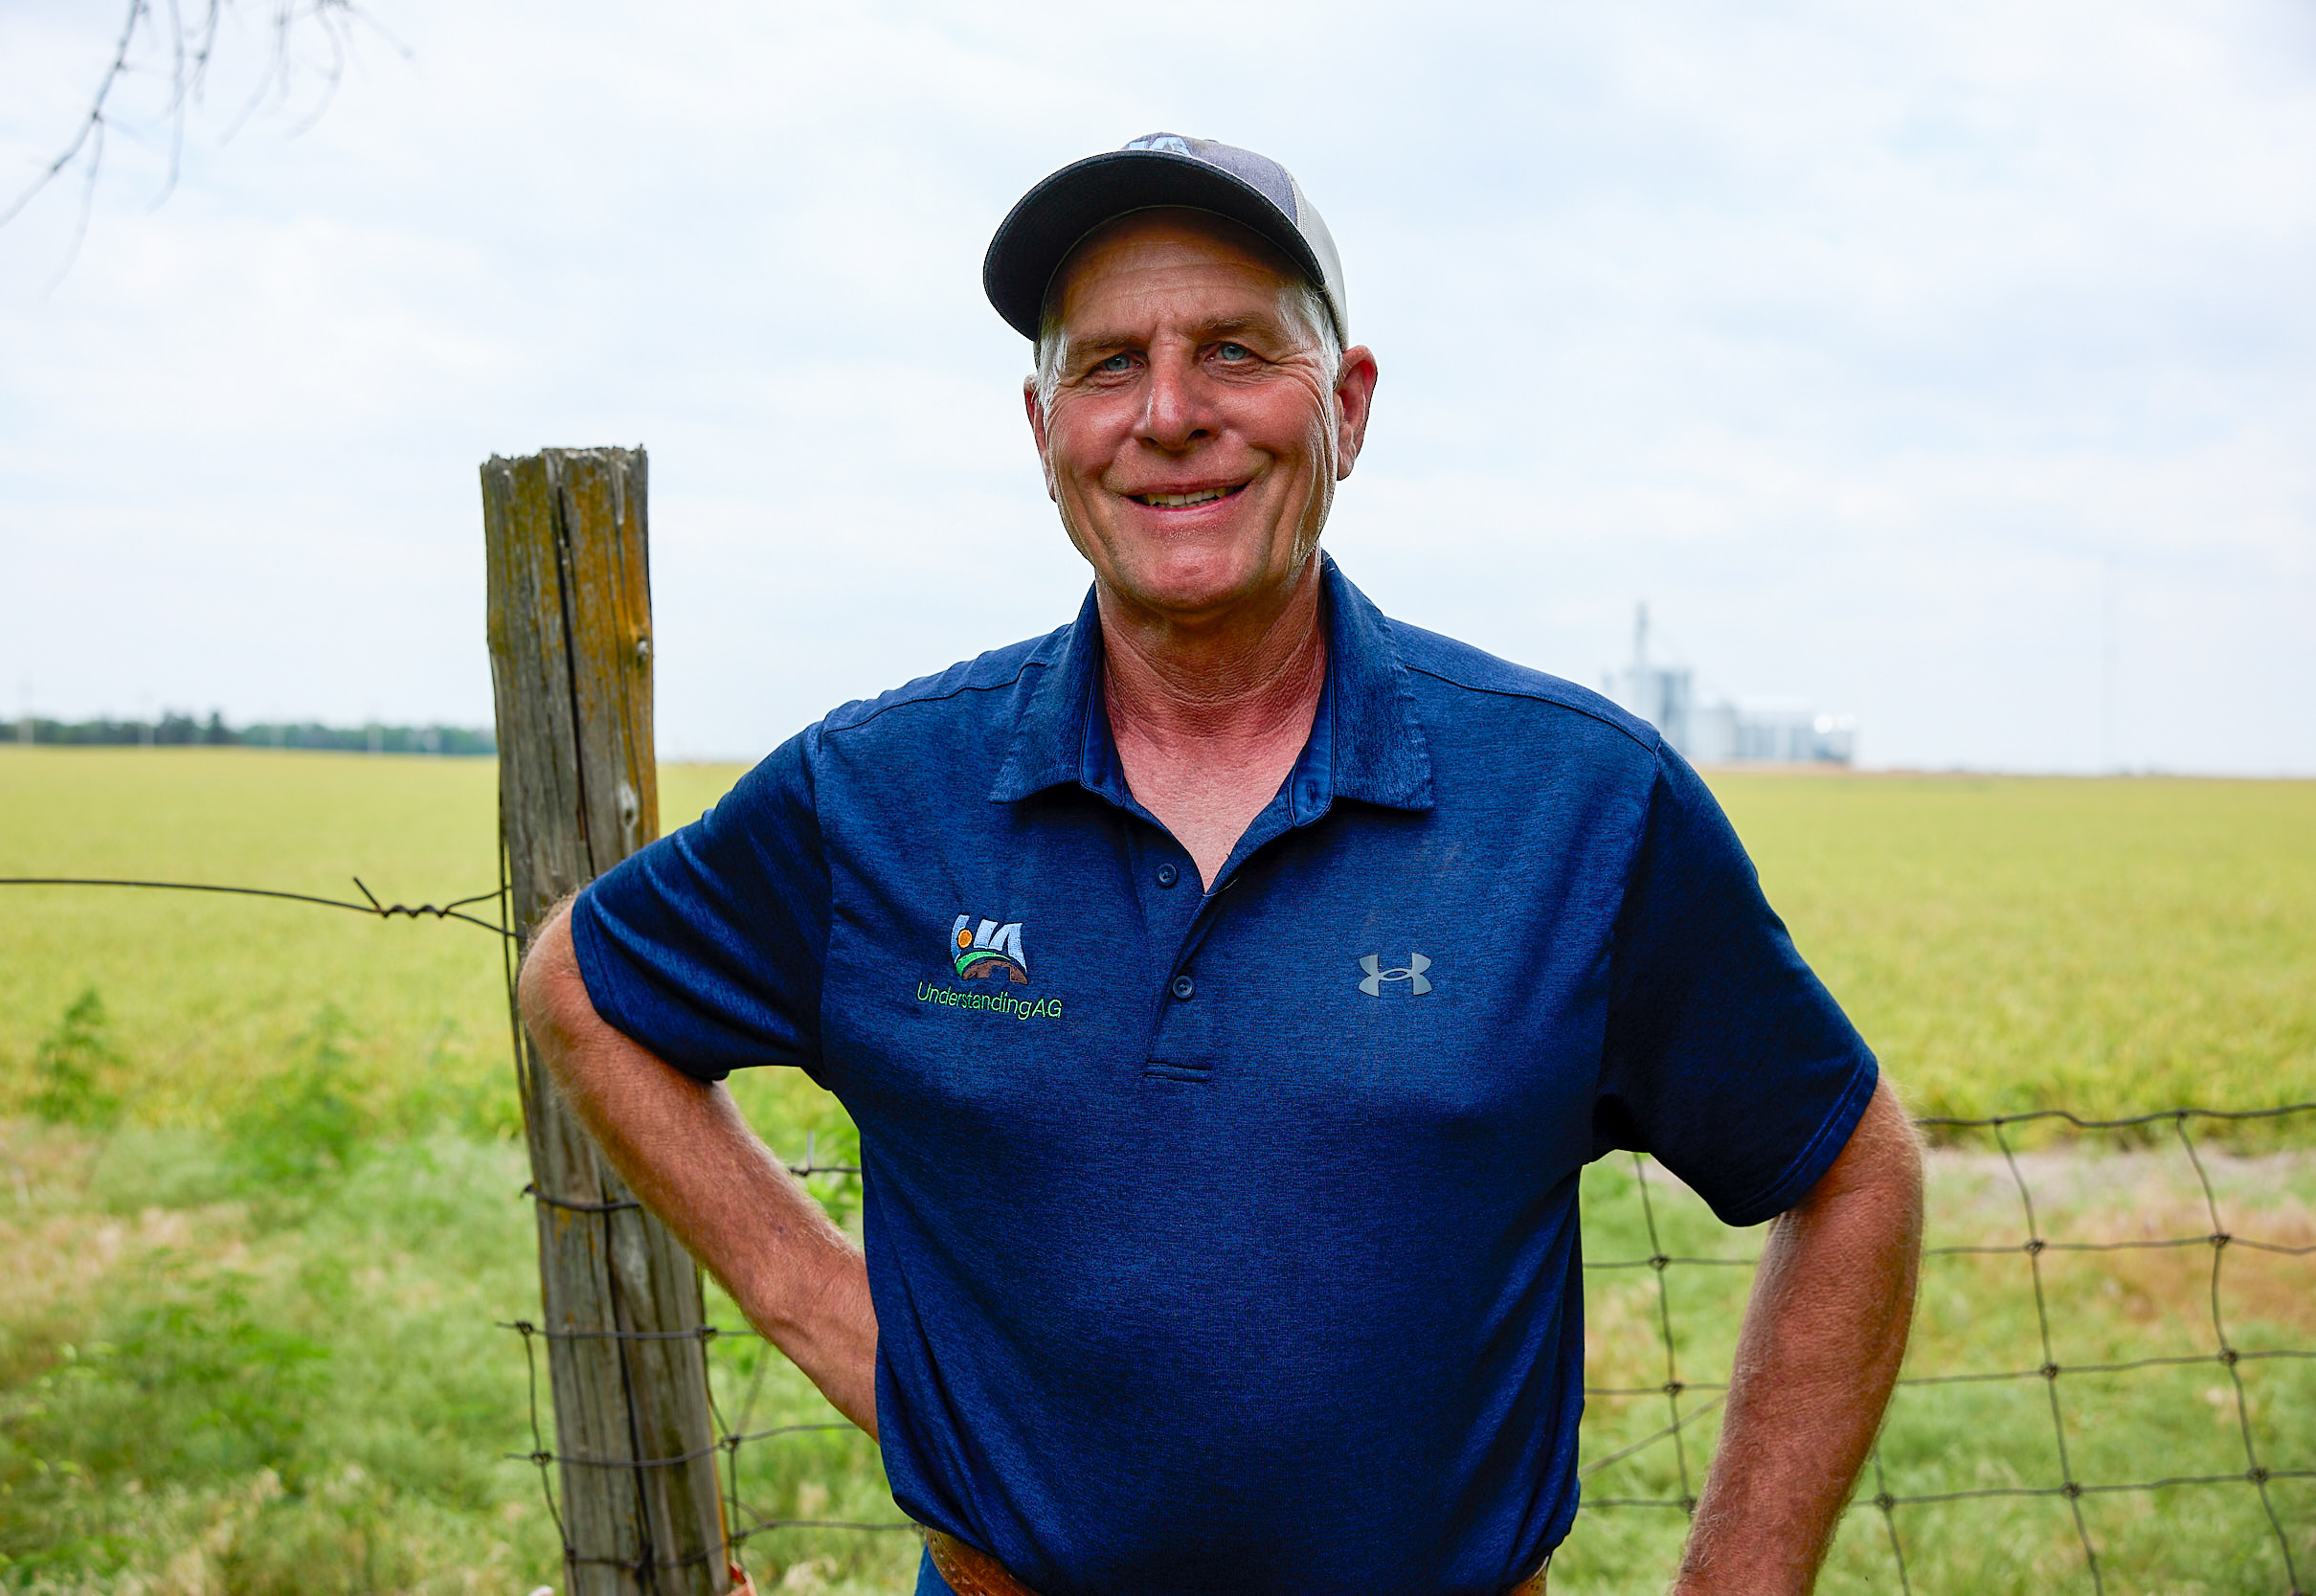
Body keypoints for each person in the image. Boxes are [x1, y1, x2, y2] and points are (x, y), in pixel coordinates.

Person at [518, 133, 1924, 1596]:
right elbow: (586, 989)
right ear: (1041, 424)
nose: (1170, 415)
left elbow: (1849, 1166)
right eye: (1110, 365)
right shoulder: (880, 795)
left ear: (1350, 405)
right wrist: (840, 1326)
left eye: (1236, 352)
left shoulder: (1577, 803)